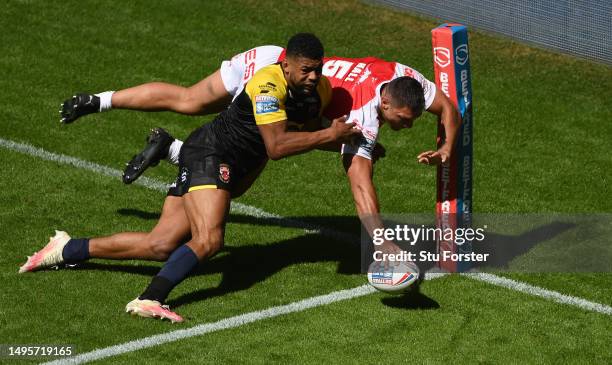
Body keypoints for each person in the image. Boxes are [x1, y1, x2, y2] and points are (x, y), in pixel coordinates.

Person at [20, 33, 360, 323]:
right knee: (209, 240)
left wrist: (351, 142)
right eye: (307, 70)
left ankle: (66, 248)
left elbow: (308, 130)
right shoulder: (267, 85)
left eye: (319, 69)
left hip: (218, 161)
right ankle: (151, 298)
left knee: (160, 244)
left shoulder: (320, 91)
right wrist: (332, 136)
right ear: (287, 65)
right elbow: (277, 146)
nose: (315, 76)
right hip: (211, 155)